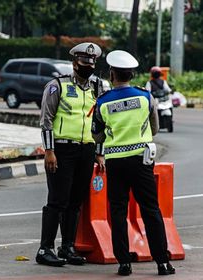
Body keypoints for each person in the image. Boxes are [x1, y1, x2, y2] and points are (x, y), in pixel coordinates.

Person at [91, 50, 175, 276]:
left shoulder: (102, 102)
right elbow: (155, 128)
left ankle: (124, 263)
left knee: (118, 211)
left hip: (116, 164)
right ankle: (162, 263)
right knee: (150, 209)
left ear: (112, 74)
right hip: (141, 161)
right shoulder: (145, 97)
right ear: (131, 74)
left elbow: (97, 137)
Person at [37, 42, 104, 267]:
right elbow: (46, 121)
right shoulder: (58, 86)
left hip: (86, 150)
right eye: (85, 62)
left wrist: (99, 153)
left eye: (92, 62)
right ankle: (44, 248)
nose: (89, 66)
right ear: (74, 63)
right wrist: (49, 151)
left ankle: (67, 247)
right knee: (57, 200)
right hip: (61, 150)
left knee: (76, 202)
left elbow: (101, 124)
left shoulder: (97, 87)